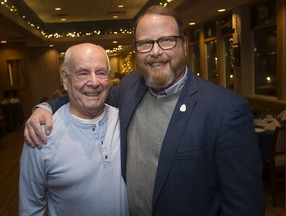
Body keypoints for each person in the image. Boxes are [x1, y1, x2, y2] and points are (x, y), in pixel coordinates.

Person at [24, 6, 265, 216]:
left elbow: (244, 206)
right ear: (137, 50)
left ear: (183, 43)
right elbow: (89, 95)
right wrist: (45, 107)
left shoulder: (226, 109)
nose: (156, 51)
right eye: (145, 43)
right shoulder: (131, 87)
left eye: (166, 40)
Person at [19, 43, 129, 216]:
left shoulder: (125, 120)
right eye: (83, 73)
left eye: (101, 73)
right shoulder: (41, 134)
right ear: (65, 79)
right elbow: (31, 208)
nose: (94, 82)